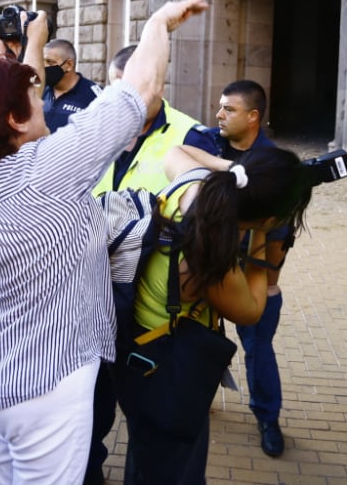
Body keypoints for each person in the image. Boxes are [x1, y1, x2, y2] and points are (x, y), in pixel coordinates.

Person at [0, 0, 209, 483]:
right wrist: (159, 21)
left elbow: (13, 106)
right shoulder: (46, 172)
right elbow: (140, 90)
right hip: (44, 388)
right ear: (14, 121)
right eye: (31, 95)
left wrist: (33, 41)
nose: (41, 96)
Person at [117, 143, 313, 483]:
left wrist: (238, 172)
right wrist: (261, 238)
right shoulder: (211, 252)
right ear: (268, 217)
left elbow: (175, 150)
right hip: (168, 371)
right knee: (174, 468)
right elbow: (251, 310)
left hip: (135, 351)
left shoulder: (192, 187)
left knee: (145, 454)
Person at [86, 42, 219, 484]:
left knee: (165, 446)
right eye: (111, 87)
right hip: (94, 309)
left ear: (154, 86)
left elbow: (212, 239)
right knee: (87, 425)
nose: (116, 99)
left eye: (127, 89)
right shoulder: (94, 132)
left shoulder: (193, 137)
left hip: (156, 324)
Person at [209, 79, 292, 457]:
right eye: (220, 108)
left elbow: (280, 231)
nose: (219, 115)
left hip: (251, 272)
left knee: (258, 348)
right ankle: (197, 394)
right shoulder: (209, 145)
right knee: (200, 340)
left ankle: (267, 417)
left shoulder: (274, 163)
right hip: (204, 268)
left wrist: (268, 283)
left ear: (254, 116)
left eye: (229, 109)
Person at [41, 38, 102, 132]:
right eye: (43, 61)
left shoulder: (94, 96)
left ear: (69, 64)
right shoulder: (40, 91)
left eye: (50, 62)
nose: (44, 66)